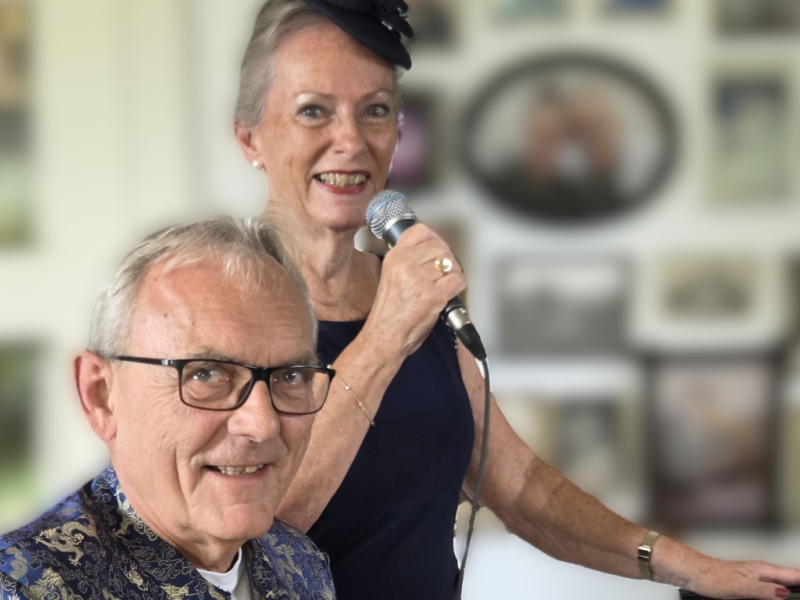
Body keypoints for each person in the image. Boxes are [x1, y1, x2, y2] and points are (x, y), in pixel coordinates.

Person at [232, 1, 800, 598]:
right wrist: (386, 336)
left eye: (374, 110)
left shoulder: (412, 297)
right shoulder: (224, 305)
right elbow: (254, 529)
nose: (350, 141)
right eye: (313, 111)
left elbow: (521, 485)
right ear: (250, 137)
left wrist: (688, 566)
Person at [0, 217, 337, 600]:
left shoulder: (302, 564)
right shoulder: (24, 587)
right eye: (206, 374)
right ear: (101, 395)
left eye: (291, 377)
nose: (262, 424)